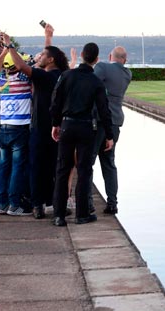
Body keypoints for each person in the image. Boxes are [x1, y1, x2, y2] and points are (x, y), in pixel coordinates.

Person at [5, 23, 69, 219]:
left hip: (41, 128)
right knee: (55, 168)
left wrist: (10, 46)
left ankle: (37, 205)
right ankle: (54, 203)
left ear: (50, 60)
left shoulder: (43, 76)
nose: (38, 57)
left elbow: (23, 66)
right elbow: (46, 57)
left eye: (42, 55)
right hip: (59, 128)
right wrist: (48, 38)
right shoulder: (63, 76)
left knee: (36, 167)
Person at [50, 42, 114, 227]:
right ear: (96, 59)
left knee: (63, 169)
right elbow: (104, 110)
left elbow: (56, 102)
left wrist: (55, 124)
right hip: (86, 127)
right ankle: (82, 214)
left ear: (83, 55)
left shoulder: (67, 75)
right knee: (84, 171)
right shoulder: (95, 81)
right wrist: (109, 135)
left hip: (67, 125)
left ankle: (59, 215)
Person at [0, 33, 33, 216]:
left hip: (4, 127)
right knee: (17, 167)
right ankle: (15, 204)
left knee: (3, 166)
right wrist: (9, 46)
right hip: (19, 127)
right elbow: (26, 67)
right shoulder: (24, 79)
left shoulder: (2, 81)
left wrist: (4, 52)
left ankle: (2, 204)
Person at [89, 46, 132, 214]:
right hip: (115, 122)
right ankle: (112, 202)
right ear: (125, 59)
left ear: (109, 56)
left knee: (89, 162)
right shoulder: (128, 74)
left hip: (99, 121)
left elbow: (91, 85)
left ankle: (89, 202)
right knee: (109, 163)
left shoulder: (102, 67)